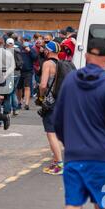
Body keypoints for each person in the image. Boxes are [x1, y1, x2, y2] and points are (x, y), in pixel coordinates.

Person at [54, 38, 105, 209]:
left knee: (72, 208)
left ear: (87, 55)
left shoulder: (71, 80)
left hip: (74, 159)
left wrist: (68, 142)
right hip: (103, 161)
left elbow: (58, 119)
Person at [37, 41, 64, 175]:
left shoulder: (47, 64)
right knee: (56, 133)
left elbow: (43, 85)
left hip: (51, 102)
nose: (43, 51)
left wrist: (41, 97)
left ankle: (59, 164)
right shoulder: (63, 64)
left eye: (45, 49)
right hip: (62, 102)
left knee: (51, 133)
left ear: (49, 51)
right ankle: (55, 162)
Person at [4, 38, 22, 116]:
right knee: (13, 91)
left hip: (10, 74)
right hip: (17, 73)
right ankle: (15, 108)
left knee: (8, 93)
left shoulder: (6, 52)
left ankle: (7, 110)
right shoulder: (17, 51)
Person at [17, 40, 37, 110]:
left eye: (27, 41)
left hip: (28, 71)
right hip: (19, 70)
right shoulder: (19, 49)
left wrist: (29, 51)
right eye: (24, 40)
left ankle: (27, 103)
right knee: (19, 87)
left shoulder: (31, 49)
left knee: (27, 87)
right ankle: (19, 102)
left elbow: (35, 58)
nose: (25, 42)